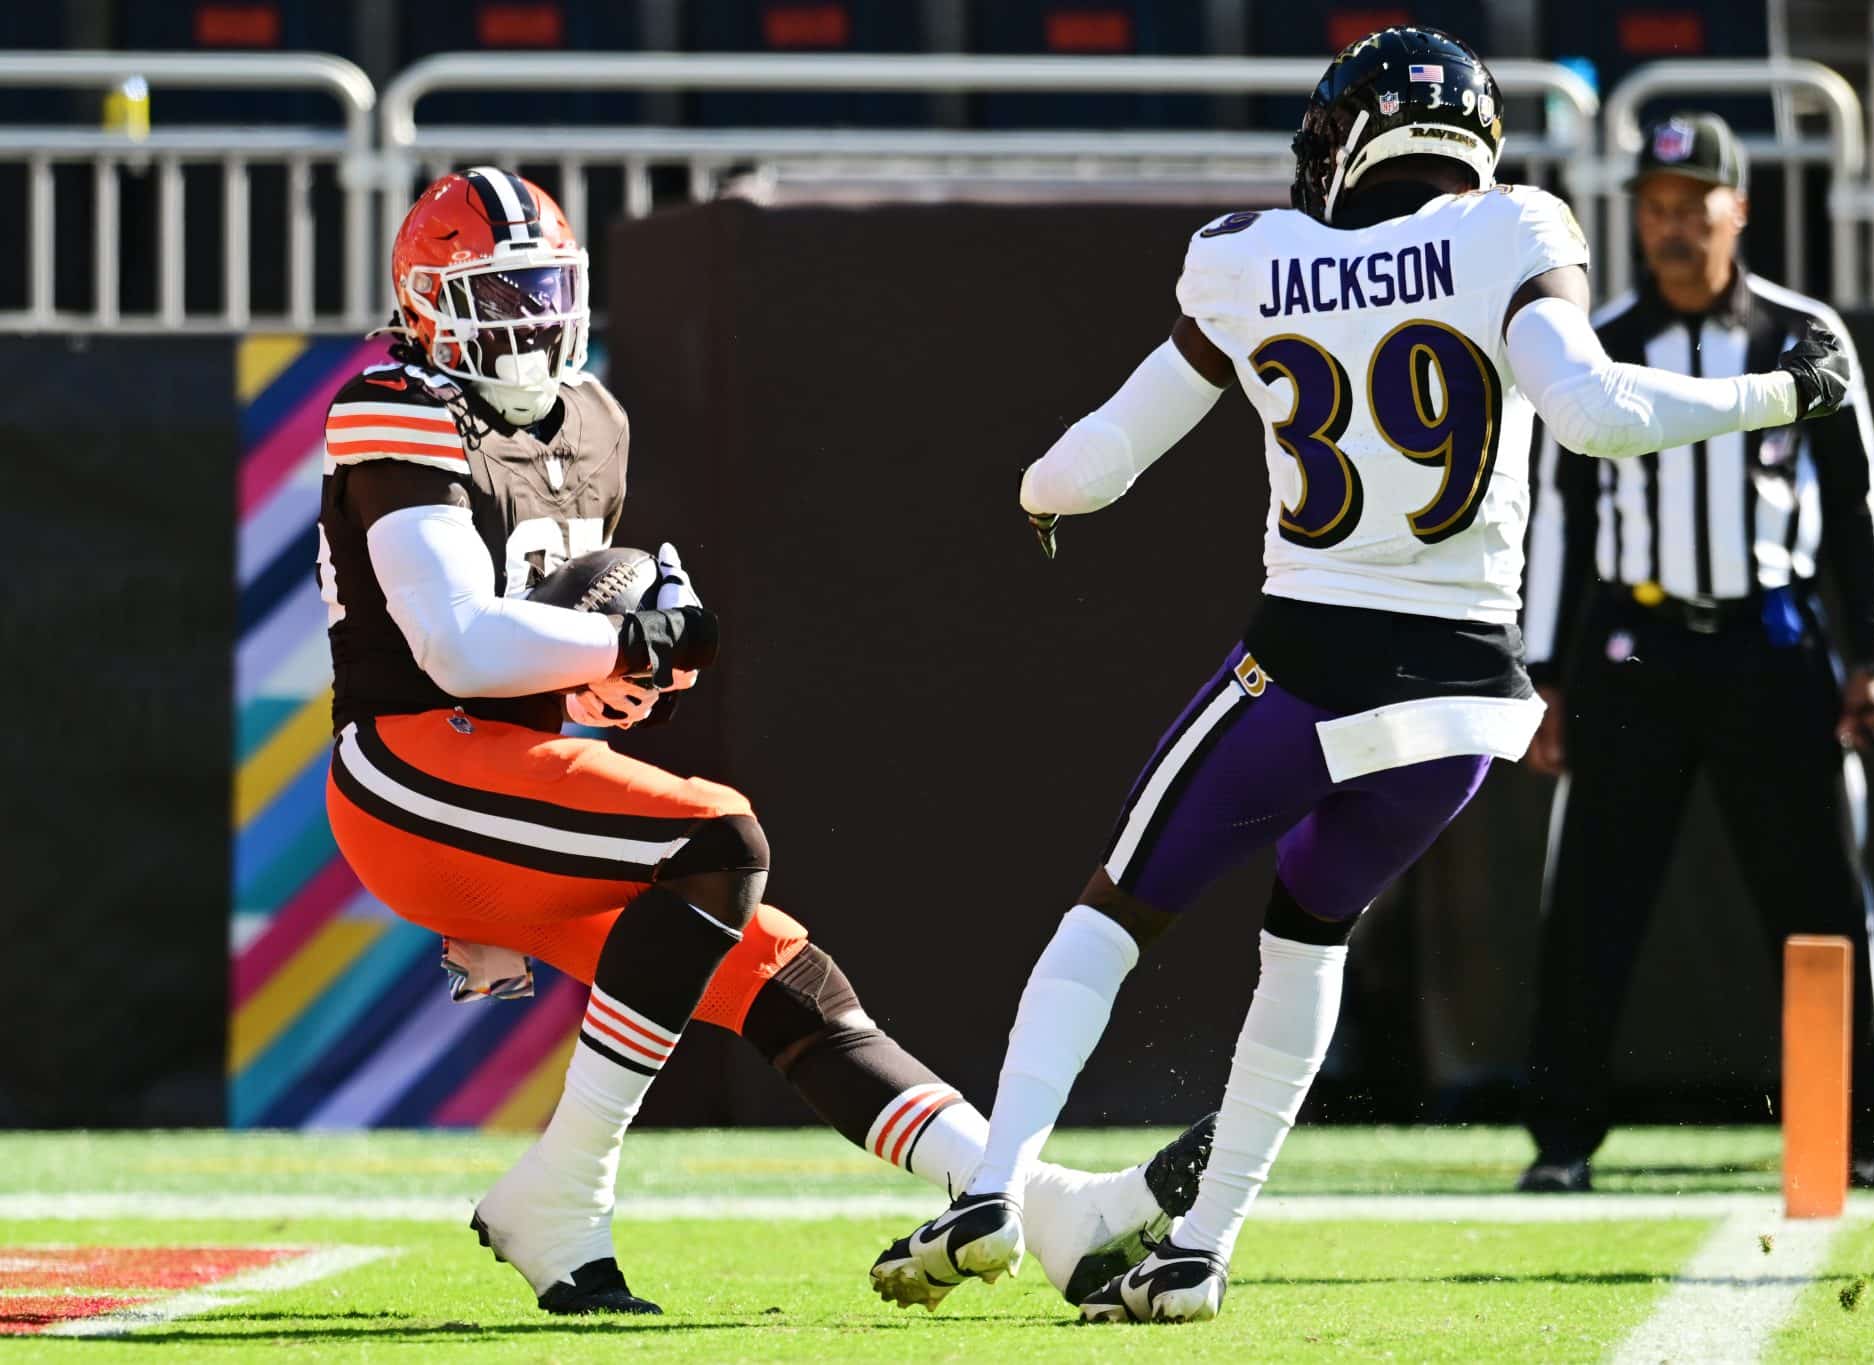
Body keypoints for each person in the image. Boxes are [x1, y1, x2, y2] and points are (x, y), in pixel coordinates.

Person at [878, 29, 1852, 1325]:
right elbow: (1600, 413)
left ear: (1344, 140)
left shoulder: (1248, 258)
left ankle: (995, 1186)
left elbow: (1094, 465)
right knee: (1308, 936)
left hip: (1307, 664)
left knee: (1112, 912)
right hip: (1462, 704)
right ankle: (1202, 1243)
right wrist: (1779, 399)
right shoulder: (1512, 228)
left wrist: (1032, 493)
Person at [318, 167, 1212, 1316]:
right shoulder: (392, 402)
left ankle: (1037, 1204)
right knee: (721, 836)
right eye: (496, 294)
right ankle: (565, 1185)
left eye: (542, 288)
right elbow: (457, 646)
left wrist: (631, 673)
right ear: (426, 304)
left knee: (791, 981)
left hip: (516, 776)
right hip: (407, 766)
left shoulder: (594, 418)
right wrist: (620, 648)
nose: (528, 320)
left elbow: (552, 664)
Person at [1516, 113, 1874, 1191]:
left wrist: (1872, 656)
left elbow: (1855, 504)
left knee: (1822, 899)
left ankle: (1855, 1140)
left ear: (1735, 210)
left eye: (1690, 209)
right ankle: (1560, 1146)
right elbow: (1555, 515)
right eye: (1651, 211)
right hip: (1632, 647)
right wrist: (1544, 676)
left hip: (1769, 641)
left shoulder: (1804, 336)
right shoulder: (1590, 339)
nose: (1670, 232)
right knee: (1591, 898)